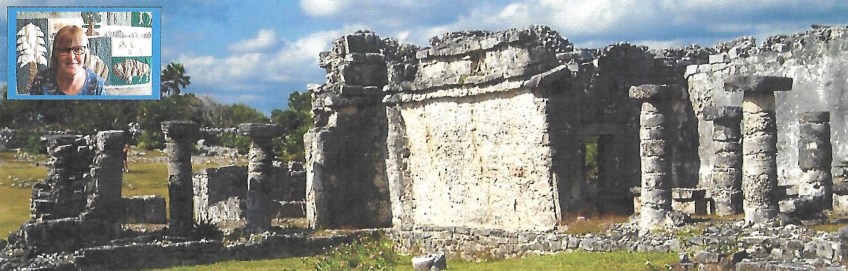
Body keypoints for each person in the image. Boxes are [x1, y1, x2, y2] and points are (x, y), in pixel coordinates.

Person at [29, 25, 105, 95]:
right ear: (55, 53)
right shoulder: (41, 81)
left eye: (78, 49)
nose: (71, 57)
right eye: (64, 50)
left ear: (85, 53)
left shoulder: (96, 84)